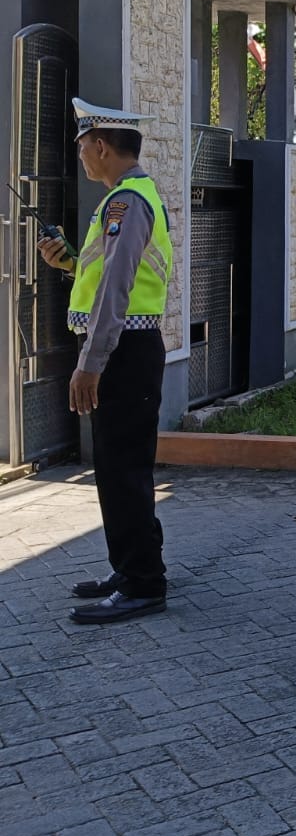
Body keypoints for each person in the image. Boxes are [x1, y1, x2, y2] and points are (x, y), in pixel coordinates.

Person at [37, 99, 174, 624]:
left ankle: (143, 583)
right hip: (125, 349)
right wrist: (71, 262)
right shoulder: (129, 198)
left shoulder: (126, 202)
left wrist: (90, 363)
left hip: (121, 353)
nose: (80, 157)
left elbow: (117, 290)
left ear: (99, 145)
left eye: (81, 147)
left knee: (123, 470)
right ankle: (131, 566)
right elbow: (107, 275)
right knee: (120, 467)